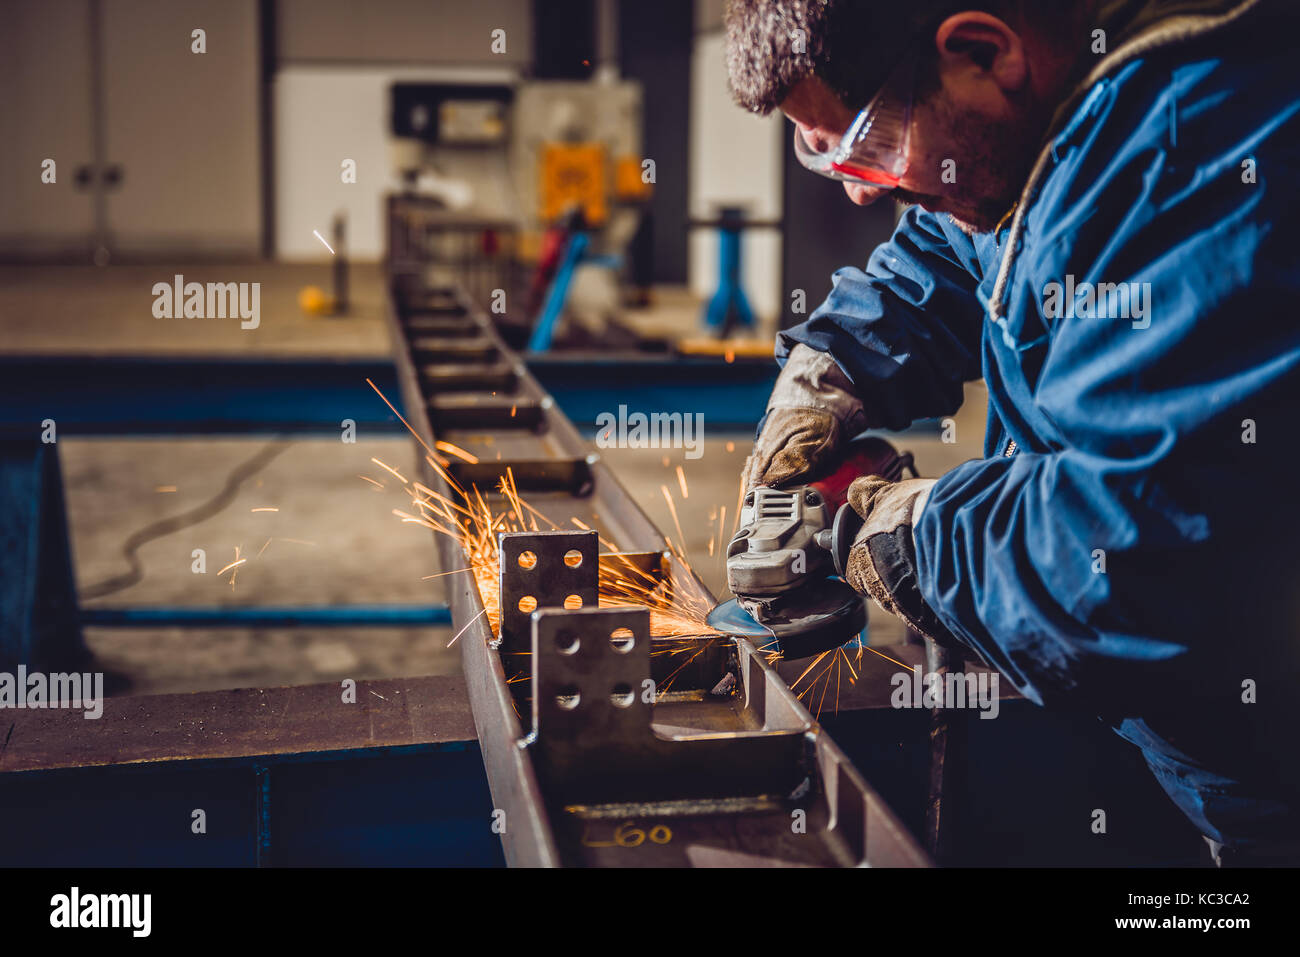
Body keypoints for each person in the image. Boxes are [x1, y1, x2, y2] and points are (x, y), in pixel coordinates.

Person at [724, 0, 1300, 865]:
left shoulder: (1202, 154)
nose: (856, 186)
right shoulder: (1037, 124)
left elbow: (1123, 558)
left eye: (871, 146)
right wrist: (830, 368)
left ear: (986, 52)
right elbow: (957, 252)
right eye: (824, 151)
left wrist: (907, 533)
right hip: (1183, 743)